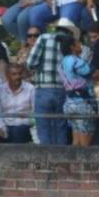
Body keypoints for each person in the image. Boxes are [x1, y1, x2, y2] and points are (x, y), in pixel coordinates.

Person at [27, 17, 79, 145]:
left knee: (44, 128)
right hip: (62, 90)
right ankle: (60, 161)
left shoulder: (44, 38)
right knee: (60, 127)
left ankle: (46, 160)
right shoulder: (70, 44)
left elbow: (30, 63)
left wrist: (37, 68)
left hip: (43, 88)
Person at [60, 34, 95, 146]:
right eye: (78, 44)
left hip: (69, 103)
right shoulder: (75, 60)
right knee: (85, 141)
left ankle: (74, 163)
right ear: (72, 47)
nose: (81, 46)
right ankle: (84, 163)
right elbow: (89, 71)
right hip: (82, 103)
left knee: (76, 140)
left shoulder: (62, 62)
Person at [0, 63, 34, 143]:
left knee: (17, 132)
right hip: (5, 123)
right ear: (8, 76)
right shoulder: (0, 89)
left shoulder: (30, 89)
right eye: (14, 74)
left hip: (22, 125)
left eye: (19, 74)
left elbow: (34, 109)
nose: (18, 77)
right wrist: (1, 127)